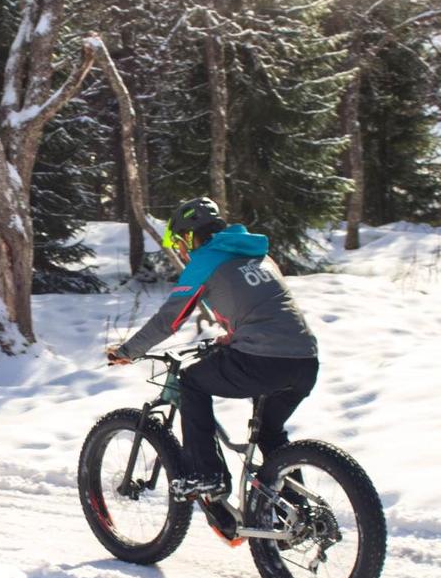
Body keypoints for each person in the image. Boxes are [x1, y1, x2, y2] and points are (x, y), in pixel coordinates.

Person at [106, 197, 319, 535]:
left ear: (190, 237)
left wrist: (128, 351)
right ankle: (294, 517)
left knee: (191, 382)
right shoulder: (259, 255)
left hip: (261, 359)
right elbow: (264, 308)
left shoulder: (206, 259)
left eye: (180, 241)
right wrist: (233, 337)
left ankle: (206, 475)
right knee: (270, 432)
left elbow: (169, 319)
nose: (181, 250)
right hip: (305, 360)